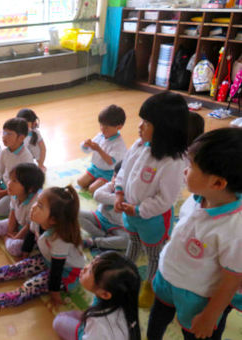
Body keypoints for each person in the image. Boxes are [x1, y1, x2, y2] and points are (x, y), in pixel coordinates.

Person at [147, 128, 242, 340]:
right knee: (158, 317)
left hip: (197, 295)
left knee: (196, 334)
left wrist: (210, 316)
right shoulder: (199, 196)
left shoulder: (235, 229)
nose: (184, 171)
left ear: (217, 183)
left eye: (190, 166)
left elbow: (232, 279)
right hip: (168, 277)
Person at [114, 92, 189, 308]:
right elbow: (123, 170)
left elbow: (166, 199)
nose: (140, 126)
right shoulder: (140, 144)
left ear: (165, 129)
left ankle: (150, 284)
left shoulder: (173, 162)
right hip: (131, 212)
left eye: (146, 122)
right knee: (133, 242)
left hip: (152, 219)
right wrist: (119, 192)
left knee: (154, 254)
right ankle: (127, 271)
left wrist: (138, 209)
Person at [0, 185, 85, 312]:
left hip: (66, 272)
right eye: (37, 202)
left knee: (31, 285)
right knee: (18, 267)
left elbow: (56, 271)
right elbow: (30, 235)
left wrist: (55, 295)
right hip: (48, 260)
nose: (34, 206)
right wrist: (25, 256)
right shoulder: (37, 220)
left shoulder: (60, 240)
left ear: (53, 220)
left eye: (40, 206)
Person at [53, 251, 141, 340]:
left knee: (58, 321)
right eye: (92, 262)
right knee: (69, 315)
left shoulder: (98, 323)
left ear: (105, 294)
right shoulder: (123, 300)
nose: (85, 268)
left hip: (93, 331)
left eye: (90, 271)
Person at [0, 117, 33, 218]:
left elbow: (23, 184)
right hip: (5, 186)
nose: (4, 137)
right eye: (4, 133)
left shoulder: (26, 157)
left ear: (21, 138)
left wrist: (4, 193)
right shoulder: (4, 152)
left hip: (17, 191)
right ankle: (2, 196)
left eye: (10, 134)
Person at [78, 104, 127, 194]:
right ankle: (97, 181)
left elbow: (111, 162)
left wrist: (99, 150)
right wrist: (86, 145)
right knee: (80, 182)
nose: (102, 129)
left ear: (119, 127)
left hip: (108, 173)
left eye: (106, 127)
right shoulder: (100, 136)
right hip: (95, 168)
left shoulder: (118, 144)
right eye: (101, 125)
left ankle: (106, 183)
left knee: (92, 189)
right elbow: (87, 150)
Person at [80, 162, 128, 251]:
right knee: (76, 214)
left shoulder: (131, 195)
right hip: (99, 217)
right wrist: (118, 198)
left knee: (128, 241)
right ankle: (105, 237)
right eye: (114, 176)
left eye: (120, 180)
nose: (115, 181)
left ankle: (95, 242)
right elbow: (97, 195)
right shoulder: (110, 186)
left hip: (117, 226)